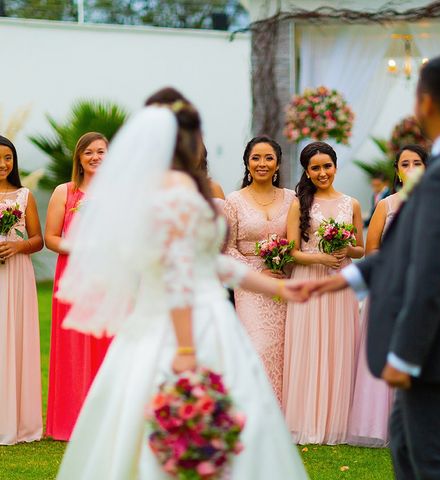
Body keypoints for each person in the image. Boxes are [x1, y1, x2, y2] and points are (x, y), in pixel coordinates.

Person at [55, 102, 309, 479]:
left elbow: (211, 262)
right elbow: (178, 272)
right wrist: (187, 348)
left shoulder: (177, 189)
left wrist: (275, 286)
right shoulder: (172, 193)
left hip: (194, 312)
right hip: (187, 322)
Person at [312, 55, 440, 479]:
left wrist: (406, 353)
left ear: (427, 103)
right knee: (404, 443)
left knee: (434, 460)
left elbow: (434, 271)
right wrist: (351, 276)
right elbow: (412, 244)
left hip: (436, 340)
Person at [284, 141, 364, 445]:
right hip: (309, 280)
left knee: (338, 345)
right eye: (315, 168)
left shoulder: (351, 203)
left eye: (326, 166)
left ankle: (337, 422)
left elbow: (361, 249)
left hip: (340, 282)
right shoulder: (298, 204)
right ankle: (306, 420)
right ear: (307, 170)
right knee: (309, 345)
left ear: (335, 166)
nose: (322, 172)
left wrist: (345, 249)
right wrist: (319, 257)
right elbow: (292, 252)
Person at [348, 144, 428, 447]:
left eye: (417, 162)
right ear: (397, 170)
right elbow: (372, 250)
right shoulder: (387, 205)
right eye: (404, 163)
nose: (410, 167)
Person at [44, 131, 113, 441]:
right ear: (80, 159)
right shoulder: (65, 192)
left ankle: (106, 421)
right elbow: (51, 238)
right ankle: (70, 421)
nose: (96, 157)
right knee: (73, 348)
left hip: (109, 281)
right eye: (89, 152)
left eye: (101, 151)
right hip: (72, 280)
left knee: (106, 345)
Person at [224, 136, 295, 404]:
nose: (262, 164)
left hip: (283, 279)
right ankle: (256, 410)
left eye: (268, 158)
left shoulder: (292, 199)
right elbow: (228, 249)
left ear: (277, 164)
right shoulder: (234, 201)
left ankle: (285, 413)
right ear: (247, 163)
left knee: (284, 348)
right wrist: (255, 274)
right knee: (259, 346)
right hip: (250, 284)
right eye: (256, 158)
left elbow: (299, 238)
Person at [0, 136, 44, 445]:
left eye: (8, 158)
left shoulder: (24, 195)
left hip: (17, 273)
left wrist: (18, 245)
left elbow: (38, 239)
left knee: (15, 339)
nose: (3, 165)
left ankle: (19, 422)